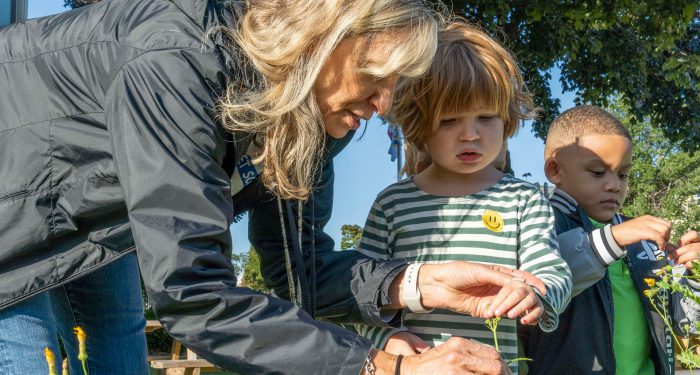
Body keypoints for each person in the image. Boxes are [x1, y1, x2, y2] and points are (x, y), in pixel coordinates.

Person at [0, 1, 532, 374]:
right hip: (11, 207)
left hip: (96, 220)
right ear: (324, 32)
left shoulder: (318, 117)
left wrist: (417, 283)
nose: (385, 106)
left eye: (398, 85)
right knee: (29, 352)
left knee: (119, 343)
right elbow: (192, 293)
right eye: (378, 74)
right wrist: (379, 366)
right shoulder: (177, 63)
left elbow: (298, 270)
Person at [353, 22, 572, 373]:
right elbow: (360, 292)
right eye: (449, 120)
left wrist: (537, 294)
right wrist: (385, 340)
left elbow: (552, 270)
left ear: (506, 119)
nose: (470, 134)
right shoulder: (391, 205)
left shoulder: (524, 199)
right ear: (419, 123)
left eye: (486, 117)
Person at [520, 105, 700, 375]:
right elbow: (546, 281)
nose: (615, 185)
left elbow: (685, 321)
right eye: (597, 172)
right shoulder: (539, 223)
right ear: (555, 169)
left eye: (623, 174)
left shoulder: (640, 239)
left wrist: (693, 274)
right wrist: (614, 238)